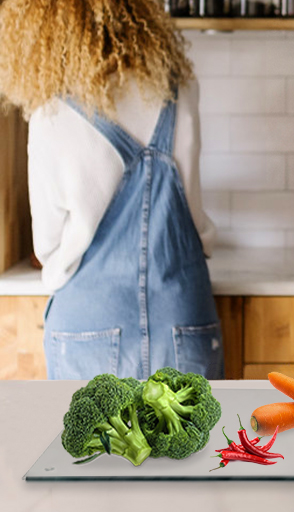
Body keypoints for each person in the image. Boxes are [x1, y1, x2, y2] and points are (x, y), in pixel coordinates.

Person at [0, 0, 223, 380]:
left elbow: (47, 246)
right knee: (190, 441)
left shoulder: (51, 111)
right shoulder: (180, 90)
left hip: (88, 320)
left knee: (96, 442)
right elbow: (193, 213)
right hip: (181, 313)